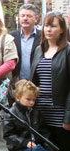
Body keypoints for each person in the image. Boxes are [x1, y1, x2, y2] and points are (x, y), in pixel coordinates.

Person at [30, 11, 70, 151]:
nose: (48, 29)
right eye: (46, 25)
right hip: (40, 113)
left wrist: (68, 116)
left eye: (53, 26)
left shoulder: (68, 50)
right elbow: (33, 82)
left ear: (62, 30)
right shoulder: (38, 50)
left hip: (60, 113)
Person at [3, 79, 51, 151]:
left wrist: (48, 146)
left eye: (34, 100)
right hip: (20, 147)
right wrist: (24, 142)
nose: (32, 102)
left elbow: (43, 132)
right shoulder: (10, 114)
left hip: (36, 146)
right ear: (18, 97)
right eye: (28, 99)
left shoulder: (36, 113)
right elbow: (8, 135)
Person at [10, 4, 41, 81]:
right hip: (17, 83)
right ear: (19, 18)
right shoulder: (11, 37)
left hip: (37, 83)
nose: (25, 18)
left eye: (29, 16)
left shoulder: (43, 37)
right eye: (23, 16)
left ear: (36, 18)